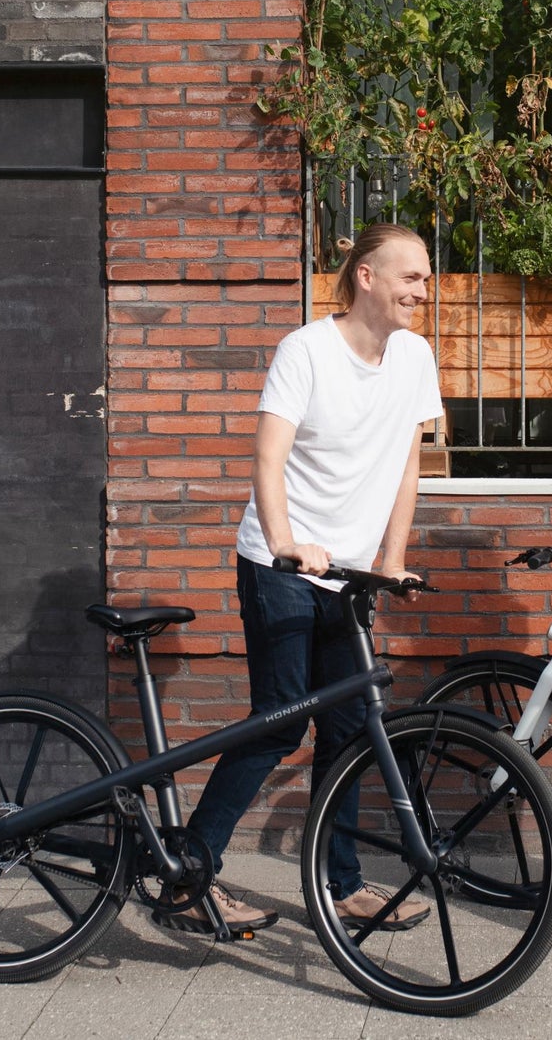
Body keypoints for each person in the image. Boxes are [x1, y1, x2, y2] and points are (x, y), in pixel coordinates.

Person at [174, 222, 444, 934]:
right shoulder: (306, 349)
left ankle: (344, 882)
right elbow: (268, 458)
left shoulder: (416, 357)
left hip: (350, 572)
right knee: (280, 721)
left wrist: (391, 558)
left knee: (351, 727)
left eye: (425, 276)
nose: (423, 288)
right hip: (281, 564)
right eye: (410, 275)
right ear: (366, 276)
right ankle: (187, 876)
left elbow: (409, 464)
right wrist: (288, 541)